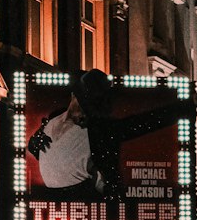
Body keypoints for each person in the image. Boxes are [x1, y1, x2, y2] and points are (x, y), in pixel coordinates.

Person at [27, 69, 187, 201]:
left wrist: (187, 105)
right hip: (48, 201)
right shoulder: (54, 117)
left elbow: (145, 122)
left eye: (91, 109)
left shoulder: (100, 129)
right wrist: (33, 143)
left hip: (82, 201)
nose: (85, 113)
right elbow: (46, 150)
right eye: (84, 106)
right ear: (73, 97)